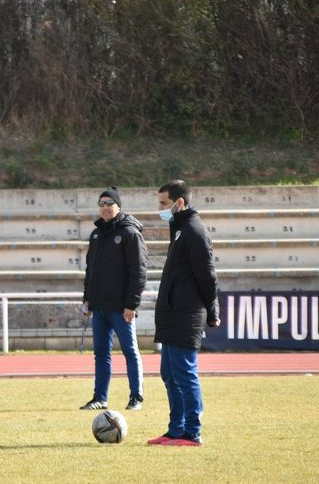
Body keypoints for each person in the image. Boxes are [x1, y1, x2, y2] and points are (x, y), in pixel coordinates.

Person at [147, 180, 220, 446]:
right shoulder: (179, 228)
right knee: (170, 374)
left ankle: (193, 431)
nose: (160, 208)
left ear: (180, 202)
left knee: (185, 374)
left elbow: (208, 276)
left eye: (164, 203)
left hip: (185, 315)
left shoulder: (194, 230)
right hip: (171, 314)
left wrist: (212, 310)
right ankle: (175, 429)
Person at [80, 187, 148, 411]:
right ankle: (100, 397)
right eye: (102, 204)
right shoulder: (96, 234)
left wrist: (132, 304)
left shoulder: (129, 233)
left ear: (118, 206)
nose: (106, 208)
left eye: (110, 203)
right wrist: (87, 299)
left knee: (130, 351)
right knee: (101, 354)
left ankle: (136, 397)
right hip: (99, 307)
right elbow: (91, 270)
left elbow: (138, 271)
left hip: (121, 308)